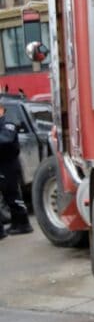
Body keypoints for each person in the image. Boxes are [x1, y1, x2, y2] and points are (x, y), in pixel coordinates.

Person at [0, 101, 33, 238]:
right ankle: (12, 226)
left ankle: (23, 224)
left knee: (13, 196)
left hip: (9, 164)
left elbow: (5, 139)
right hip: (2, 164)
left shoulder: (8, 123)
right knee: (8, 197)